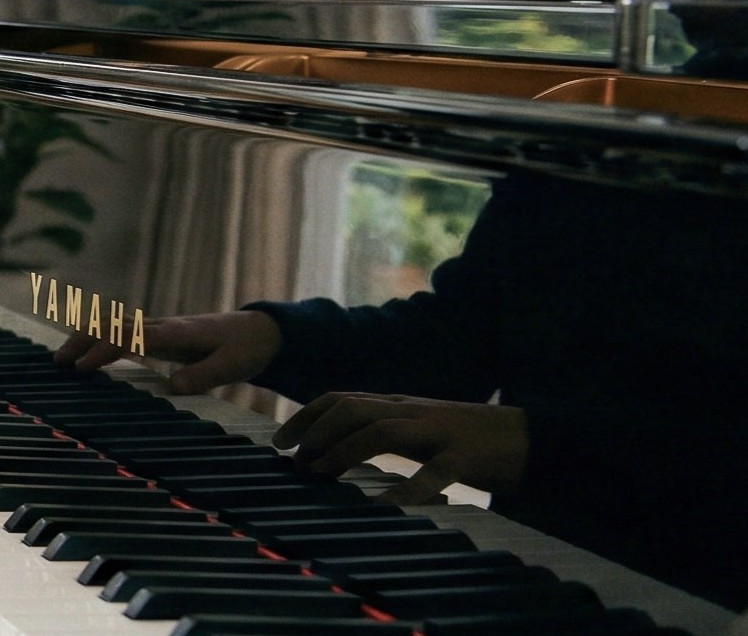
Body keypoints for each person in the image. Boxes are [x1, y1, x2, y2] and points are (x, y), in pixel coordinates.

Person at [53, 171, 748, 610]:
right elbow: (459, 337)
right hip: (543, 580)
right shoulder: (606, 117)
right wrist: (272, 334)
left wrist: (540, 441)